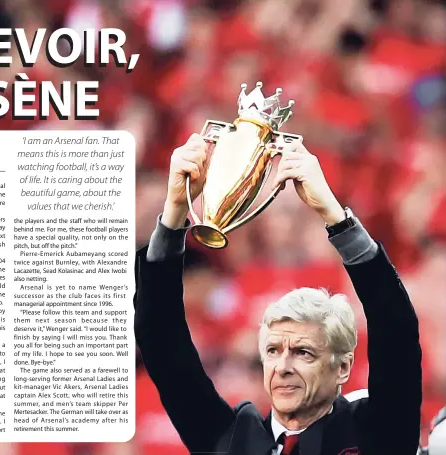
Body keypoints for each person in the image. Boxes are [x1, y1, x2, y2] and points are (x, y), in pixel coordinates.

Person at [134, 134, 423, 455]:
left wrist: (335, 217)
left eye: (304, 352)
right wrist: (175, 212)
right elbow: (160, 339)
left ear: (342, 368)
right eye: (272, 351)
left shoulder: (378, 431)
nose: (282, 367)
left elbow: (395, 326)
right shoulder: (234, 441)